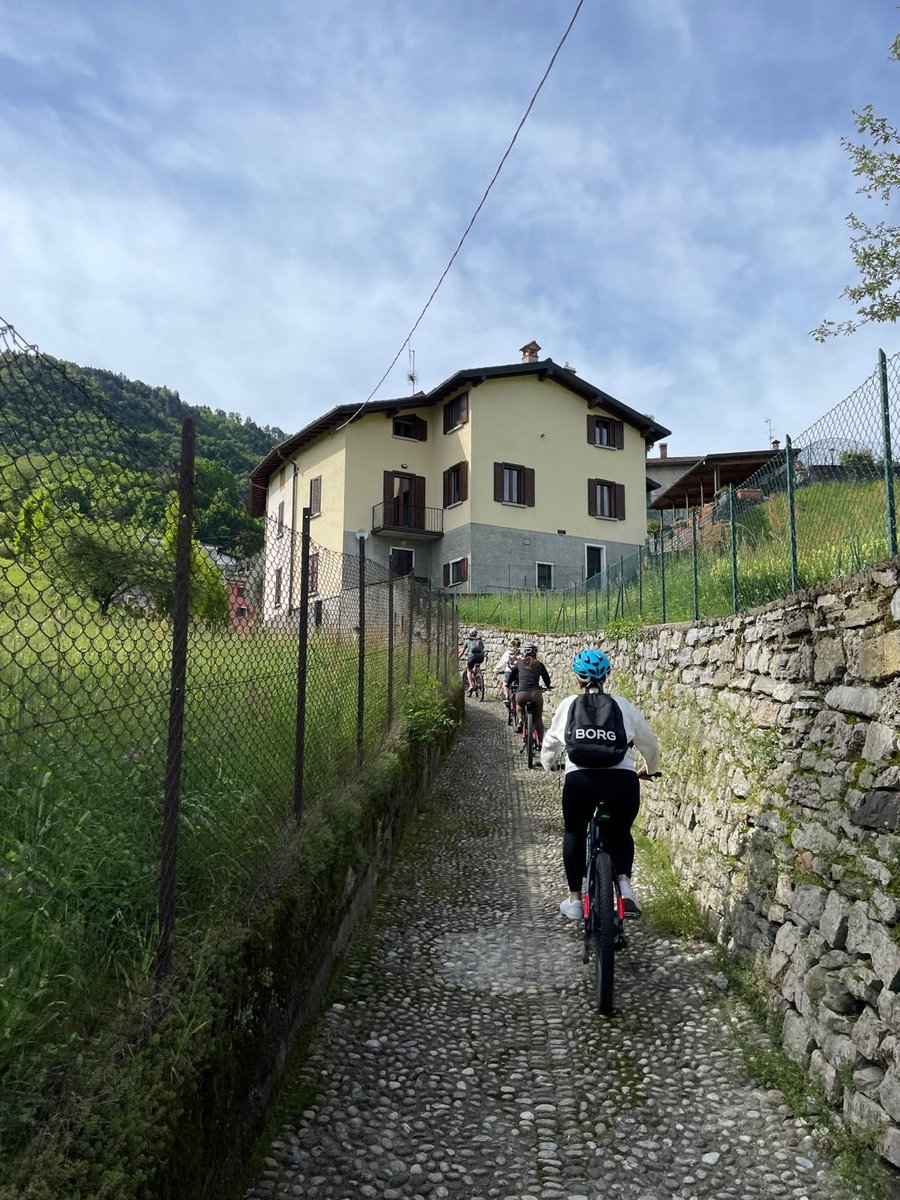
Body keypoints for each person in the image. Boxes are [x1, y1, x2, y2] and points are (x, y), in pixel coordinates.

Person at [541, 648, 659, 920]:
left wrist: (549, 764)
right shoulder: (623, 705)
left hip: (580, 780)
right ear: (606, 676)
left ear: (578, 679)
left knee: (573, 832)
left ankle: (574, 900)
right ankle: (626, 887)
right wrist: (650, 769)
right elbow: (650, 744)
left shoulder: (568, 704)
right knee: (621, 832)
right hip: (622, 781)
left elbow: (551, 743)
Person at [507, 644, 551, 745]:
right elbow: (546, 678)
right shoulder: (539, 664)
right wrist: (548, 686)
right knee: (538, 719)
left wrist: (508, 684)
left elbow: (512, 675)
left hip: (522, 693)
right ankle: (540, 742)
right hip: (536, 694)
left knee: (519, 705)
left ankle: (520, 720)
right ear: (536, 653)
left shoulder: (519, 663)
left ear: (525, 653)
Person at [459, 628, 486, 695]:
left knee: (469, 670)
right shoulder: (480, 640)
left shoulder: (467, 641)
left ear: (470, 634)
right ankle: (479, 680)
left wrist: (458, 657)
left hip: (472, 657)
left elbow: (462, 652)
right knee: (477, 666)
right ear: (476, 634)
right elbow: (482, 649)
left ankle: (471, 685)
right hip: (480, 657)